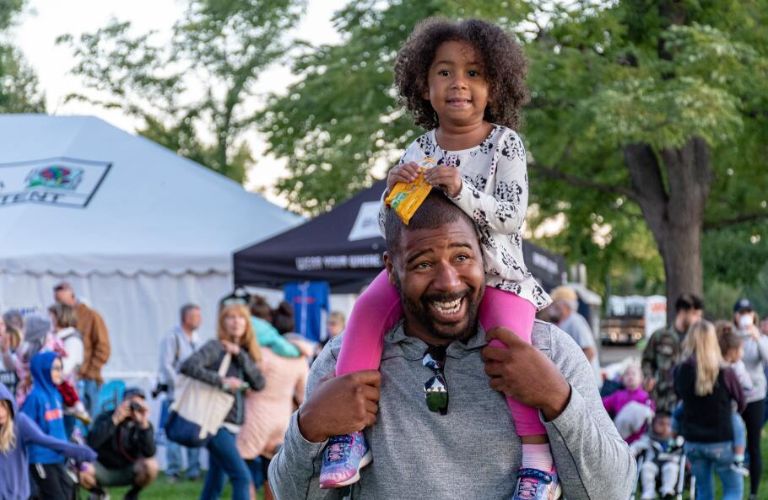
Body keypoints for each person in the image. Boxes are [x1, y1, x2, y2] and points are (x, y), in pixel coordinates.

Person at [320, 18, 557, 497]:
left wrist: (461, 188)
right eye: (444, 73)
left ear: (495, 86)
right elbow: (404, 222)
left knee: (509, 344)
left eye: (473, 73)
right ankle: (348, 435)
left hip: (495, 273)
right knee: (365, 310)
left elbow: (511, 217)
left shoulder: (504, 144)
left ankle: (537, 461)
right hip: (427, 269)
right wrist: (393, 191)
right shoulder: (420, 147)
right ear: (424, 88)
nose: (459, 84)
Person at [268, 190, 635, 499]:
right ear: (392, 270)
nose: (448, 281)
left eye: (462, 257)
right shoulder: (343, 361)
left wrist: (558, 400)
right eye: (423, 264)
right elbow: (291, 494)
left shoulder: (547, 351)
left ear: (484, 257)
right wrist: (310, 427)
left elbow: (614, 491)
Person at [179, 303, 266, 500]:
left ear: (247, 323)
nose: (236, 322)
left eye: (241, 317)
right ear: (223, 323)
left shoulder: (244, 353)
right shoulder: (215, 347)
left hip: (231, 426)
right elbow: (188, 365)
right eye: (230, 317)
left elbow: (259, 384)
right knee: (242, 478)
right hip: (215, 423)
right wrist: (222, 382)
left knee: (215, 482)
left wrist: (240, 355)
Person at [674, 320, 745, 500]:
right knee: (733, 490)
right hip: (721, 439)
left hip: (693, 441)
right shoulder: (725, 372)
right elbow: (742, 400)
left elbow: (679, 398)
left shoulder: (681, 370)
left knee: (704, 492)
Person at [1, 382, 96, 500]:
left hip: (19, 494)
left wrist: (79, 451)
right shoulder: (35, 397)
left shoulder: (19, 423)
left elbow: (47, 441)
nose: (1, 412)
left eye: (3, 405)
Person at [80, 387, 158, 500]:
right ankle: (99, 493)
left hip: (129, 469)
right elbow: (92, 443)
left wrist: (143, 424)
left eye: (138, 403)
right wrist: (115, 420)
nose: (133, 407)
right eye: (131, 402)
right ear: (122, 401)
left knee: (152, 465)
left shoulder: (143, 424)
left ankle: (132, 494)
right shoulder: (106, 417)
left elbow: (149, 453)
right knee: (82, 469)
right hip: (103, 468)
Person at [20, 352, 77, 499]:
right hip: (41, 458)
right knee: (55, 496)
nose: (60, 372)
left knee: (68, 491)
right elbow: (23, 427)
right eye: (55, 368)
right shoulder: (35, 397)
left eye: (61, 368)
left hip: (56, 457)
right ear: (43, 370)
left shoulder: (56, 395)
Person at [157, 303, 203, 482]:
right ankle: (174, 471)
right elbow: (166, 365)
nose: (199, 320)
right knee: (174, 433)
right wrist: (178, 385)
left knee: (193, 431)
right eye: (196, 316)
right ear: (186, 318)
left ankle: (193, 470)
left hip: (194, 393)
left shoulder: (197, 340)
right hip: (176, 394)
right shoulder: (172, 338)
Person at [54, 282, 111, 416]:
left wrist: (90, 372)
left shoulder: (91, 316)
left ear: (72, 297)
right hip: (67, 381)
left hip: (87, 380)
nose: (58, 305)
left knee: (88, 423)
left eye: (61, 301)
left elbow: (103, 348)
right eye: (56, 301)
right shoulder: (59, 320)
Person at [641, 293, 704, 412]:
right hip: (662, 401)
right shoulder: (660, 336)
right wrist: (648, 377)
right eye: (695, 314)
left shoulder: (699, 340)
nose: (698, 319)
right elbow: (647, 361)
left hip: (689, 402)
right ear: (683, 312)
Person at [732, 298, 768, 499]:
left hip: (755, 396)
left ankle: (753, 493)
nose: (745, 316)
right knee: (733, 442)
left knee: (753, 444)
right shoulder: (731, 336)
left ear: (753, 316)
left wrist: (757, 338)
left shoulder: (760, 338)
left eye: (748, 312)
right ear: (735, 316)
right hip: (734, 398)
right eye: (741, 313)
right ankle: (734, 487)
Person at [47, 303, 90, 429]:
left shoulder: (72, 340)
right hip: (56, 393)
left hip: (66, 398)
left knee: (66, 430)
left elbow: (64, 369)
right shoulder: (53, 339)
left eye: (51, 317)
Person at [548, 286, 601, 387]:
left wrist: (572, 375)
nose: (550, 308)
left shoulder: (575, 321)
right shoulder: (561, 323)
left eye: (554, 304)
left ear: (564, 306)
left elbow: (589, 351)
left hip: (586, 385)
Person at [717, 323, 751, 476]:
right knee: (738, 426)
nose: (743, 353)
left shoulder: (718, 366)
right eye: (741, 349)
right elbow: (745, 388)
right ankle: (738, 459)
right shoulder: (733, 369)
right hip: (729, 409)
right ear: (732, 351)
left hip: (720, 408)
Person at [629, 411, 684, 500]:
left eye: (668, 425)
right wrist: (631, 453)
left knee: (671, 468)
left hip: (670, 462)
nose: (665, 427)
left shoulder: (675, 441)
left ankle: (668, 491)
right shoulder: (648, 439)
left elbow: (684, 449)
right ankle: (648, 492)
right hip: (652, 463)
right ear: (653, 425)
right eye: (661, 424)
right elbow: (635, 447)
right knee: (646, 467)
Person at [602, 362, 654, 444]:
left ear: (641, 378)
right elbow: (601, 405)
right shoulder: (618, 395)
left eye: (634, 374)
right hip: (620, 439)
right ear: (622, 379)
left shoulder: (645, 397)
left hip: (638, 441)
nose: (630, 376)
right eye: (627, 374)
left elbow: (650, 414)